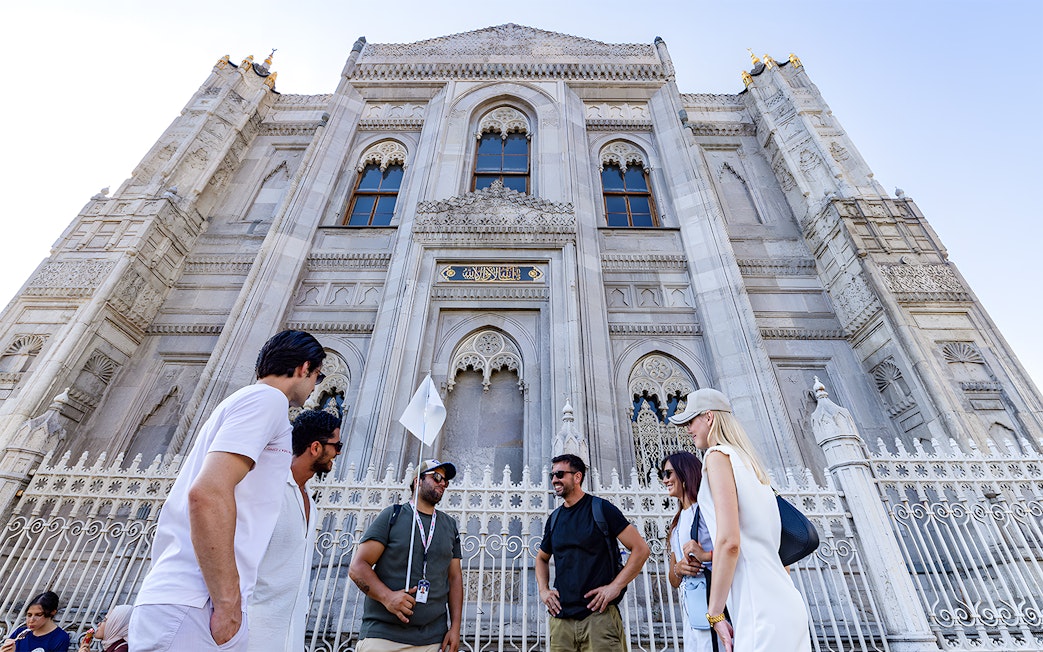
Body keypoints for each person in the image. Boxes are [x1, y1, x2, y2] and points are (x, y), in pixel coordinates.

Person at [130, 330, 326, 652]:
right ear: (305, 368)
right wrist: (227, 603)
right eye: (317, 378)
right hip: (199, 603)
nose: (313, 389)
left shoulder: (244, 400)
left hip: (189, 601)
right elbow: (207, 493)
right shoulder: (268, 400)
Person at [669, 388, 811, 652]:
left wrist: (715, 613)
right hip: (785, 600)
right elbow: (775, 550)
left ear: (709, 417)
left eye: (691, 421)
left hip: (758, 609)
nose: (688, 429)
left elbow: (729, 542)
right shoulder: (751, 466)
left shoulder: (717, 457)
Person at [247, 409, 342, 652]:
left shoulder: (309, 499)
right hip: (252, 629)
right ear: (315, 448)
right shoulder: (269, 488)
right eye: (336, 445)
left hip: (290, 630)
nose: (338, 452)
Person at [536, 454, 651, 652]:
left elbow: (641, 549)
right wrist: (543, 590)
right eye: (552, 475)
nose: (554, 479)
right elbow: (541, 558)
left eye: (560, 474)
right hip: (561, 621)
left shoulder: (601, 509)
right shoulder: (554, 519)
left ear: (577, 477)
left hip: (599, 619)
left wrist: (615, 586)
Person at [348, 459, 463, 652]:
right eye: (436, 477)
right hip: (383, 637)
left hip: (433, 640)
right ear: (417, 481)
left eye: (446, 481)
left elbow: (455, 577)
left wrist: (456, 627)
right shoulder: (393, 516)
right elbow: (358, 567)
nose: (442, 483)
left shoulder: (449, 525)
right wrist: (388, 597)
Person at [661, 452, 713, 652]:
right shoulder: (677, 522)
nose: (664, 480)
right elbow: (674, 580)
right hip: (692, 610)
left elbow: (735, 550)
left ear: (685, 473)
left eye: (668, 473)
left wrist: (705, 556)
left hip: (714, 604)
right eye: (662, 475)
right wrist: (678, 569)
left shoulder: (707, 511)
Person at [2, 590, 71, 652]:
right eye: (29, 615)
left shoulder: (59, 638)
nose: (31, 620)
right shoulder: (20, 633)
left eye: (38, 615)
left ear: (52, 612)